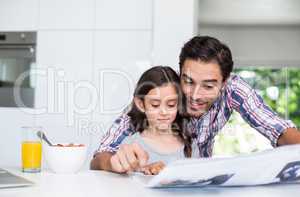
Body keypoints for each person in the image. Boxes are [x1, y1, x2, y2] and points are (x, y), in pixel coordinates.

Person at [90, 36, 300, 174]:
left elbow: (278, 128)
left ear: (224, 82)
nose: (194, 95)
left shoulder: (234, 89)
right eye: (188, 81)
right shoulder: (164, 92)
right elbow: (101, 155)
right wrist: (112, 163)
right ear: (180, 73)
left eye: (208, 86)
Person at [92, 66, 196, 174]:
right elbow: (100, 159)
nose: (164, 112)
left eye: (171, 105)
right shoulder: (131, 143)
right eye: (155, 105)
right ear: (141, 104)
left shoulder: (190, 141)